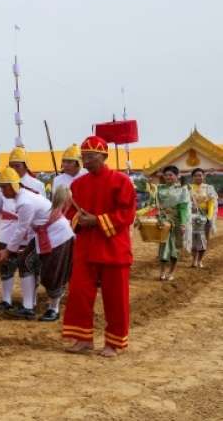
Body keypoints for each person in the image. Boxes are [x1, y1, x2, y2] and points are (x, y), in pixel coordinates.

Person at [62, 135, 137, 357]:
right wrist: (79, 221)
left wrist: (97, 220)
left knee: (116, 298)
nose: (86, 161)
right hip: (86, 247)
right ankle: (83, 339)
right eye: (83, 157)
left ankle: (113, 343)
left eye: (90, 157)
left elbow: (126, 214)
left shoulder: (121, 181)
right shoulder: (77, 184)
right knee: (79, 294)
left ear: (103, 156)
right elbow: (71, 212)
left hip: (113, 247)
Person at [0, 167, 74, 321]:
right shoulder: (23, 198)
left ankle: (54, 309)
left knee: (53, 272)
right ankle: (28, 307)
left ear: (13, 186)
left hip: (58, 236)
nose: (2, 191)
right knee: (25, 261)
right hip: (43, 234)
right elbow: (30, 227)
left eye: (4, 187)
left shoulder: (24, 202)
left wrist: (7, 251)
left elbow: (21, 230)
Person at [0, 146, 36, 314]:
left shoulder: (37, 185)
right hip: (7, 231)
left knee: (28, 267)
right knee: (5, 266)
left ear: (25, 166)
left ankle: (29, 303)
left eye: (18, 165)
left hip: (28, 232)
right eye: (12, 165)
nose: (14, 169)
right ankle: (6, 300)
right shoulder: (4, 182)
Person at [153, 166, 191, 281]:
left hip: (177, 221)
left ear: (177, 176)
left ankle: (172, 272)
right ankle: (162, 271)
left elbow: (183, 208)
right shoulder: (159, 189)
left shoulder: (182, 190)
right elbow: (153, 204)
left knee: (175, 248)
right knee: (163, 246)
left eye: (171, 175)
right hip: (163, 221)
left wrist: (183, 224)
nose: (168, 177)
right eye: (166, 175)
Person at [188, 168, 217, 268]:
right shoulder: (188, 188)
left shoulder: (209, 188)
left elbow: (211, 204)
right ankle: (194, 259)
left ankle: (200, 260)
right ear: (192, 177)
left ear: (204, 176)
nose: (198, 177)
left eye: (200, 175)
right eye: (196, 175)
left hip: (205, 216)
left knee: (204, 239)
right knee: (192, 239)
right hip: (191, 216)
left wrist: (209, 217)